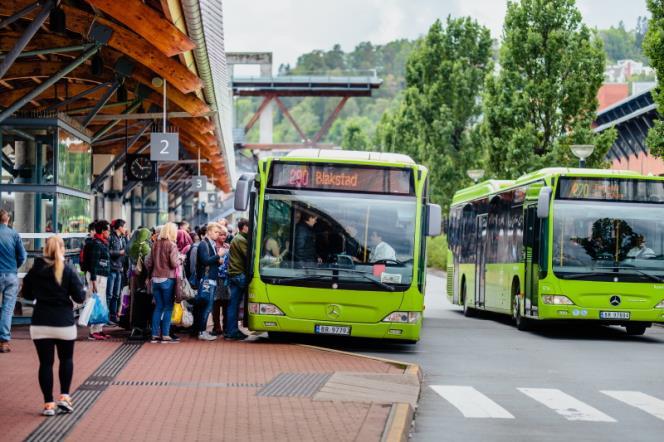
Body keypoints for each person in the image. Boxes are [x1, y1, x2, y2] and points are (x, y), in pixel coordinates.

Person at [22, 236, 85, 416]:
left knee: (45, 363)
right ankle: (64, 397)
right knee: (66, 360)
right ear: (62, 249)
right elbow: (80, 296)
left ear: (45, 249)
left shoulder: (36, 269)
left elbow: (26, 293)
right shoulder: (68, 269)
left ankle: (48, 404)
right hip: (64, 323)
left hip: (41, 322)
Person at [145, 222, 180, 343]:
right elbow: (174, 263)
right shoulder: (172, 245)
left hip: (155, 279)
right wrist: (180, 259)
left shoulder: (155, 244)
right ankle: (165, 334)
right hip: (167, 279)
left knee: (158, 307)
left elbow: (148, 262)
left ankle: (154, 334)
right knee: (168, 307)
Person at [0, 209, 27, 353]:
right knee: (7, 308)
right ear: (8, 219)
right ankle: (4, 342)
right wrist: (14, 266)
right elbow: (23, 256)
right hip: (10, 275)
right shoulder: (14, 234)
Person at [195, 222, 226, 341]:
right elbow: (205, 260)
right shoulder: (204, 244)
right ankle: (201, 331)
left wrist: (217, 261)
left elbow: (208, 261)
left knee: (207, 306)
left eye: (218, 232)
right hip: (207, 279)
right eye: (215, 232)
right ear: (209, 232)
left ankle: (201, 330)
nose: (217, 234)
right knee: (206, 306)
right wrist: (218, 256)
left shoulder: (209, 244)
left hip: (210, 278)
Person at [87, 220, 111, 340]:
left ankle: (99, 329)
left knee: (101, 302)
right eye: (108, 230)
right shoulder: (96, 244)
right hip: (97, 277)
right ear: (102, 231)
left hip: (102, 276)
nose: (109, 232)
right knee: (96, 302)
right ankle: (93, 331)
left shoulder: (102, 243)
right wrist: (94, 280)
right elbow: (93, 264)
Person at [227, 218, 250, 340]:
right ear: (244, 227)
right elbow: (248, 256)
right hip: (239, 274)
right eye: (249, 226)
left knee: (234, 304)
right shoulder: (241, 239)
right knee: (234, 304)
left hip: (235, 274)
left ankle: (232, 330)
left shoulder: (238, 238)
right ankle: (232, 331)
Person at [212, 226, 231, 336]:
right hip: (216, 277)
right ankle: (216, 326)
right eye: (221, 234)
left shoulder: (228, 246)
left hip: (226, 278)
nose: (223, 236)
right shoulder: (213, 247)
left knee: (226, 303)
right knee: (216, 303)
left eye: (225, 235)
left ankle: (225, 326)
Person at [107, 219, 127, 324]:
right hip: (112, 268)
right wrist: (119, 252)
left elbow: (126, 250)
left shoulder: (122, 238)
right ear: (119, 227)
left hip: (119, 268)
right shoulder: (111, 237)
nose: (125, 229)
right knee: (109, 294)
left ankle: (113, 316)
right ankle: (108, 316)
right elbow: (108, 252)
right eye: (124, 227)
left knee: (116, 294)